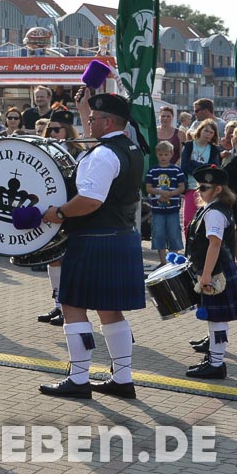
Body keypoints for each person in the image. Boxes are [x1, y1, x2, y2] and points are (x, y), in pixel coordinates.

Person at [38, 93, 146, 400]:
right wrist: (83, 103)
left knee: (72, 307)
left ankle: (78, 379)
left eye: (93, 118)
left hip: (93, 238)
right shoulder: (131, 148)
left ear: (108, 122)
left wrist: (59, 213)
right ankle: (122, 379)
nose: (88, 122)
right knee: (110, 310)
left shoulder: (102, 155)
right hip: (121, 236)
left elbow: (90, 200)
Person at [183, 165, 237, 379]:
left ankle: (216, 364)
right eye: (198, 187)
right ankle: (214, 358)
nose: (199, 191)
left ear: (218, 189)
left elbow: (214, 244)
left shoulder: (214, 212)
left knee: (217, 318)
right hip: (217, 268)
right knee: (215, 317)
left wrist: (206, 275)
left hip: (216, 271)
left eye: (204, 187)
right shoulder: (214, 208)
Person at [35, 109, 87, 323]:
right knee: (53, 258)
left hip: (69, 211)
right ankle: (58, 305)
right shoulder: (43, 151)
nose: (52, 134)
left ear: (67, 130)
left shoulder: (79, 154)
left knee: (69, 261)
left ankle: (70, 308)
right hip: (49, 212)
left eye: (56, 130)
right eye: (50, 130)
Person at [145, 141, 186, 266]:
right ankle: (163, 262)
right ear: (156, 154)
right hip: (157, 210)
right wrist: (160, 192)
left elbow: (182, 187)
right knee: (158, 234)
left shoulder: (176, 170)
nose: (163, 157)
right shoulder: (152, 170)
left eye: (166, 154)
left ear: (171, 154)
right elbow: (148, 188)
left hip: (173, 209)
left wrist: (171, 193)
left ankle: (173, 261)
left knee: (174, 233)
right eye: (160, 154)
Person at [180, 120, 221, 231]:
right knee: (188, 220)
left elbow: (212, 169)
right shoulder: (189, 146)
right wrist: (202, 168)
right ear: (200, 130)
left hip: (207, 188)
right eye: (206, 131)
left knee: (204, 221)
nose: (208, 134)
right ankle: (188, 241)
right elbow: (184, 166)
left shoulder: (213, 150)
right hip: (190, 187)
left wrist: (194, 164)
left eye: (211, 132)